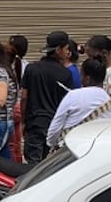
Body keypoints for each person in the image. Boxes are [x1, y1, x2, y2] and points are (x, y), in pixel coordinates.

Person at [20, 31, 75, 163]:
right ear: (58, 50)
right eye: (67, 49)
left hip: (34, 123)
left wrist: (23, 121)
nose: (68, 52)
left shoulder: (32, 69)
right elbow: (67, 102)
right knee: (47, 165)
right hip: (54, 125)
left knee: (32, 164)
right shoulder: (65, 74)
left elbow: (24, 97)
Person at [46, 58, 111, 147]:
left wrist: (51, 143)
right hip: (97, 150)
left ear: (88, 79)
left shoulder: (73, 95)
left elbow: (55, 127)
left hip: (70, 150)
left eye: (81, 75)